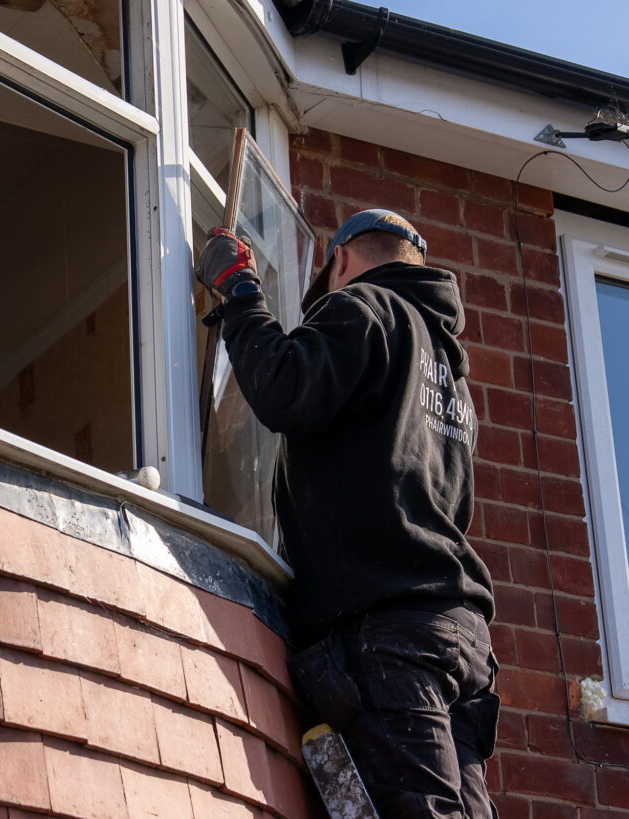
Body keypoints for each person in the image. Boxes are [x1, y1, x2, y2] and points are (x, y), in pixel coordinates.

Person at [196, 210, 499, 818]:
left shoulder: (363, 307)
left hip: (388, 632)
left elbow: (284, 384)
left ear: (340, 261)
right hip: (457, 638)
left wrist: (240, 290)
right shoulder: (451, 379)